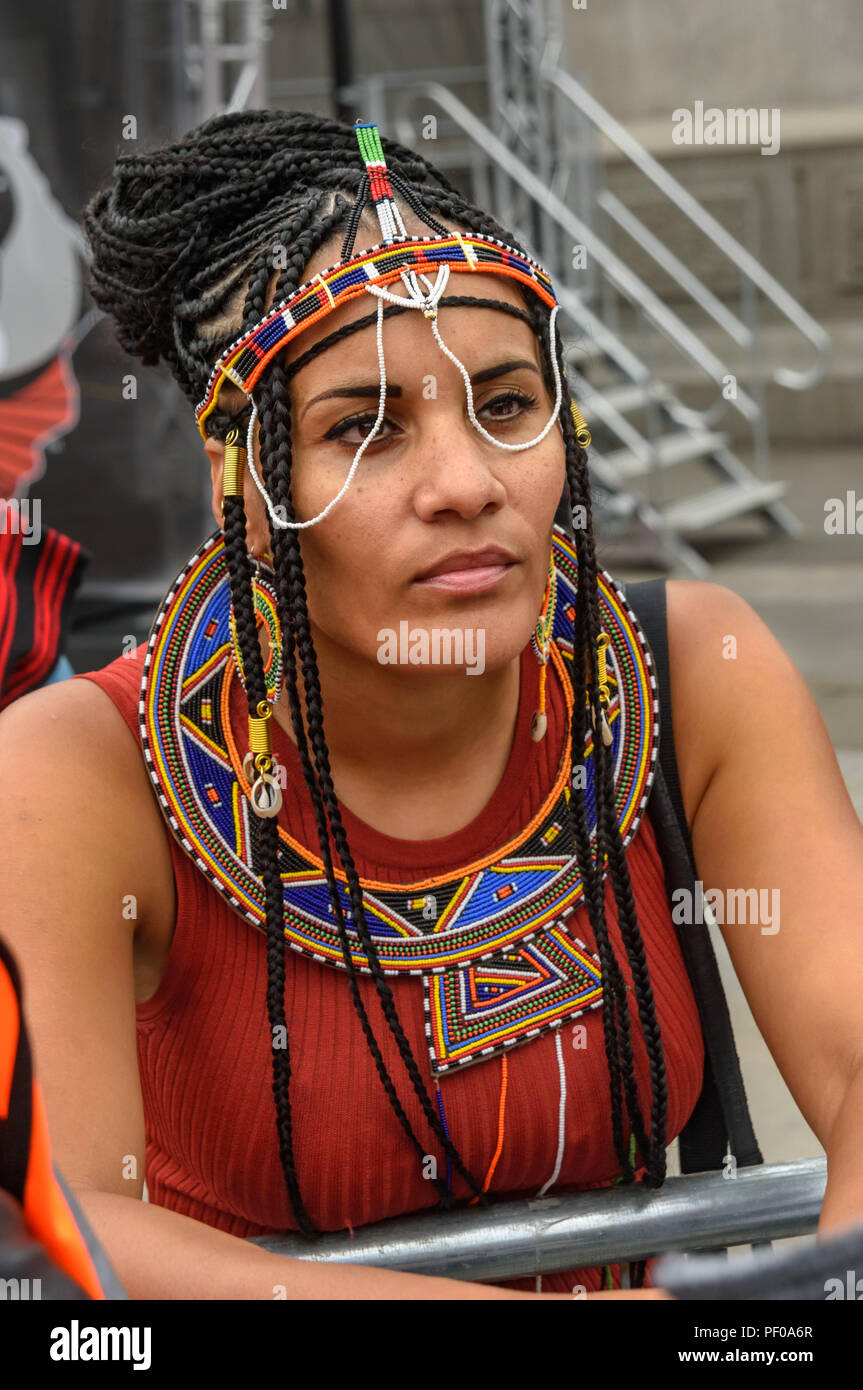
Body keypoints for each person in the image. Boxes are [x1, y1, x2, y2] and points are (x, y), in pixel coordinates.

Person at [0, 110, 860, 1302]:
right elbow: (70, 1227)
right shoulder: (70, 776)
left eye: (506, 406)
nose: (465, 485)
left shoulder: (690, 669)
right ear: (241, 479)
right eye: (364, 430)